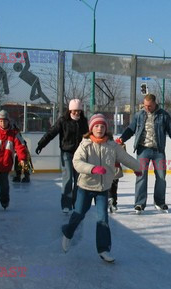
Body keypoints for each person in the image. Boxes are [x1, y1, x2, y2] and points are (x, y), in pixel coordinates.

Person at [61, 114, 142, 263]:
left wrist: (137, 167)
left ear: (106, 128)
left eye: (102, 126)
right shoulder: (85, 144)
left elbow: (125, 157)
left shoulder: (112, 145)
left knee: (103, 219)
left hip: (103, 188)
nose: (100, 128)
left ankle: (104, 249)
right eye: (97, 126)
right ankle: (67, 232)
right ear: (91, 128)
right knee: (78, 214)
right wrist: (92, 169)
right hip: (85, 187)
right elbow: (77, 162)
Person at [117, 94, 171, 214]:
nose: (146, 107)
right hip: (143, 150)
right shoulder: (139, 115)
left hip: (158, 151)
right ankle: (139, 204)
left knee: (161, 176)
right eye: (145, 105)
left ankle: (159, 202)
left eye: (149, 106)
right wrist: (122, 138)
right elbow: (131, 129)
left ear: (154, 104)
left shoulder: (163, 115)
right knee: (141, 176)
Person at [35, 99, 88, 213]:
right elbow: (51, 133)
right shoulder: (63, 121)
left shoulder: (83, 121)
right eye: (74, 111)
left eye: (78, 111)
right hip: (67, 152)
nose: (76, 113)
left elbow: (88, 137)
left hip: (80, 154)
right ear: (70, 110)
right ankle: (66, 204)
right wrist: (41, 144)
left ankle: (76, 203)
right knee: (68, 178)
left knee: (79, 180)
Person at [108, 141, 127, 213]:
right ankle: (113, 203)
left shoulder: (104, 146)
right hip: (116, 170)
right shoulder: (117, 147)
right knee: (114, 188)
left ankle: (110, 199)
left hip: (110, 170)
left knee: (110, 187)